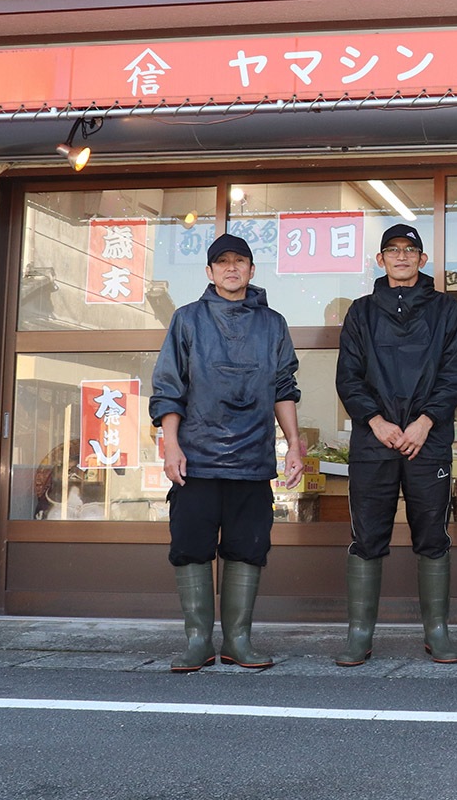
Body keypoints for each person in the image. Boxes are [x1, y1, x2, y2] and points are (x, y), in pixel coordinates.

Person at [150, 233, 303, 672]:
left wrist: (293, 445)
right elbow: (168, 391)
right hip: (195, 459)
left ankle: (238, 640)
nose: (232, 268)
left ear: (252, 270)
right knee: (191, 547)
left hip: (253, 460)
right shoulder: (187, 319)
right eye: (223, 262)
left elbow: (283, 388)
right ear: (210, 272)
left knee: (248, 548)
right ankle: (198, 640)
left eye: (240, 261)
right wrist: (172, 446)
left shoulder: (273, 323)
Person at [334, 223, 457, 666]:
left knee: (432, 534)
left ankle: (437, 632)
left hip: (426, 440)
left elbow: (455, 376)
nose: (401, 256)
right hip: (374, 440)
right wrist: (375, 420)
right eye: (392, 250)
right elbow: (348, 377)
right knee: (367, 535)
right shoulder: (361, 312)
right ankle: (359, 634)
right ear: (380, 260)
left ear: (422, 259)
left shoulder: (445, 311)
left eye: (410, 250)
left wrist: (425, 421)